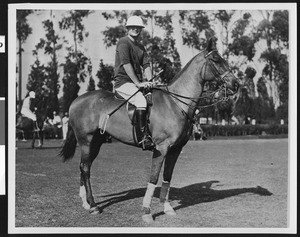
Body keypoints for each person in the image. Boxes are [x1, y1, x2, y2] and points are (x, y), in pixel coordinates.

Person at [113, 15, 155, 151]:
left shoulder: (141, 47)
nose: (136, 29)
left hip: (136, 83)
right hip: (123, 82)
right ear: (128, 28)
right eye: (133, 27)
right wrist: (138, 83)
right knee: (141, 101)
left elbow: (147, 65)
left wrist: (150, 81)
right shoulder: (123, 42)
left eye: (138, 27)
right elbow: (126, 64)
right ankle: (143, 137)